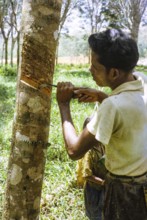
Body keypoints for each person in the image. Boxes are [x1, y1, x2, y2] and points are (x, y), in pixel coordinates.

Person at [56, 29, 147, 220]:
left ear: (114, 73)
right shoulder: (142, 81)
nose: (90, 70)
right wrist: (101, 95)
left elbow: (74, 150)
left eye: (94, 66)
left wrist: (64, 105)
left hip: (123, 192)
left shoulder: (112, 107)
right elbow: (128, 110)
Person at [76, 116, 107, 220]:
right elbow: (87, 175)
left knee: (104, 213)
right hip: (93, 189)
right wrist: (103, 182)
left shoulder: (102, 145)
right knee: (95, 215)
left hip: (103, 187)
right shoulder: (89, 152)